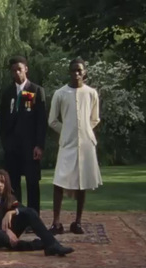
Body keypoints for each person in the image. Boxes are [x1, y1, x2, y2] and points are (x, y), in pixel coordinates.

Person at [48, 57, 102, 235]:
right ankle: (56, 222)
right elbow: (52, 120)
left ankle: (77, 222)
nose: (76, 73)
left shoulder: (91, 93)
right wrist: (67, 131)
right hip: (67, 144)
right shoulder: (60, 93)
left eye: (80, 70)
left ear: (85, 72)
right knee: (59, 181)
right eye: (73, 70)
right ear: (69, 72)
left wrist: (83, 131)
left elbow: (94, 118)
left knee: (82, 182)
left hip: (86, 144)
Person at [0, 169, 74, 256]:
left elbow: (27, 211)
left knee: (30, 213)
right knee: (2, 237)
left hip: (11, 232)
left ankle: (52, 244)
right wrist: (7, 231)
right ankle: (37, 244)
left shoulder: (10, 198)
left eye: (2, 182)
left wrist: (12, 212)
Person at [0, 56, 47, 217]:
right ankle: (16, 216)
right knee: (13, 184)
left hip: (31, 146)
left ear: (26, 69)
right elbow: (2, 120)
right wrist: (5, 142)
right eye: (14, 70)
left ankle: (33, 217)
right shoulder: (8, 93)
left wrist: (39, 145)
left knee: (32, 183)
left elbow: (41, 121)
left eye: (20, 69)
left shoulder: (36, 90)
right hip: (12, 147)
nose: (17, 73)